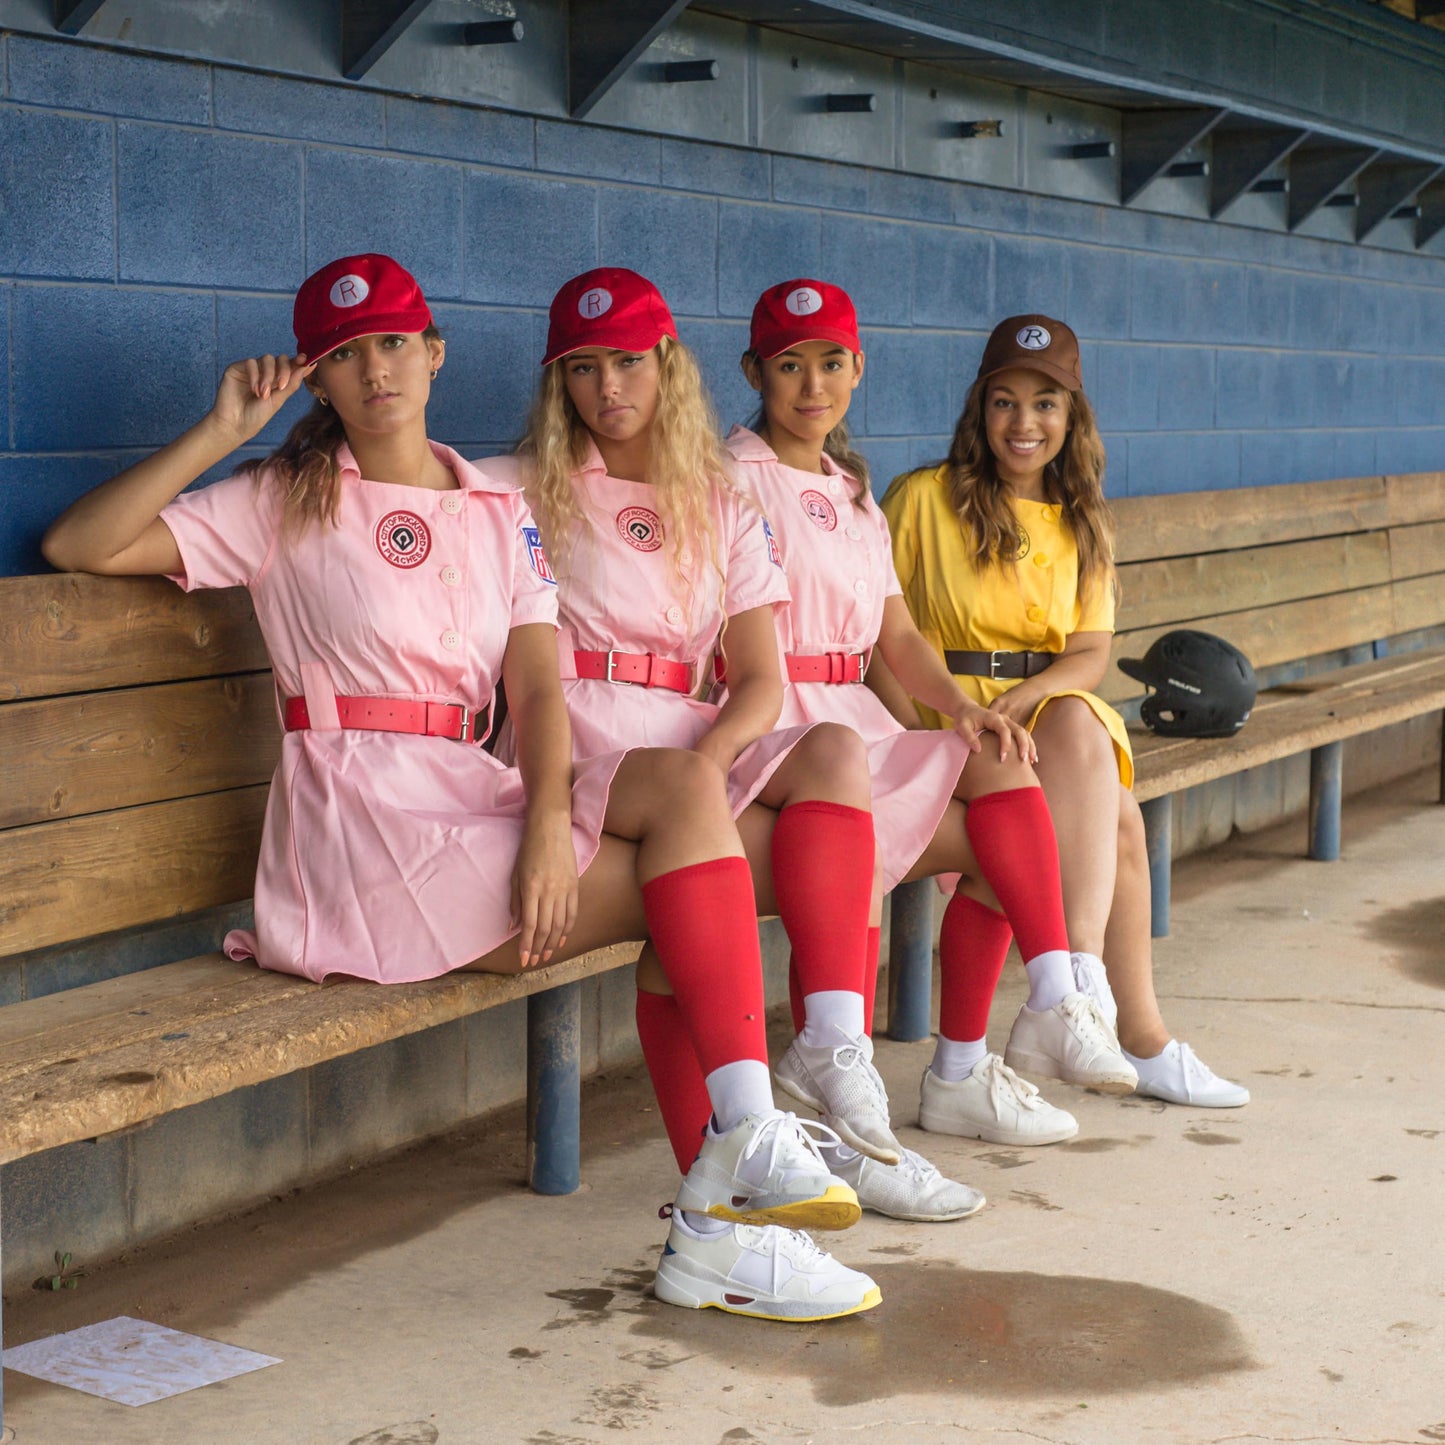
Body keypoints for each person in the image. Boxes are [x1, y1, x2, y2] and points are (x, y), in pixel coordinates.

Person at [40, 253, 880, 1323]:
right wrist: (222, 432)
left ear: (434, 353)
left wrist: (542, 818)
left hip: (470, 794)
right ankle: (724, 1214)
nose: (373, 370)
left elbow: (534, 684)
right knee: (690, 892)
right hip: (359, 821)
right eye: (342, 355)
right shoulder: (281, 499)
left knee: (680, 809)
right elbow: (82, 541)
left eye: (392, 342)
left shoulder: (496, 507)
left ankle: (730, 1194)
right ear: (318, 379)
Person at [494, 264, 954, 1224]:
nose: (606, 390)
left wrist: (712, 764)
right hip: (576, 746)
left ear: (668, 366)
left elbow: (757, 679)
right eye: (581, 369)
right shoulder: (514, 488)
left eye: (626, 362)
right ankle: (747, 1177)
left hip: (682, 749)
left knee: (829, 752)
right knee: (717, 882)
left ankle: (833, 1060)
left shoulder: (718, 499)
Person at [728, 278, 1140, 1174]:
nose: (812, 386)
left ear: (857, 369)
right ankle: (853, 1092)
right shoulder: (731, 478)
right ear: (754, 370)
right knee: (892, 831)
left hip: (855, 709)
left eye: (831, 363)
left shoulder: (852, 490)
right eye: (790, 365)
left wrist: (959, 714)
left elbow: (894, 634)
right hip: (778, 715)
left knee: (1003, 774)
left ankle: (1039, 1007)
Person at [878, 313, 1249, 1108]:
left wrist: (1028, 693)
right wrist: (924, 719)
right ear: (979, 410)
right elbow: (880, 632)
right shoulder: (920, 498)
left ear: (1071, 416)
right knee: (1117, 816)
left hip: (1042, 712)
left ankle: (1084, 995)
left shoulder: (1082, 519)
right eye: (1005, 401)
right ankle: (1109, 1017)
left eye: (1045, 404)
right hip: (946, 714)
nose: (1024, 423)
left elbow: (1085, 652)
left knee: (1079, 718)